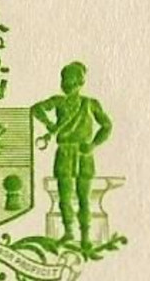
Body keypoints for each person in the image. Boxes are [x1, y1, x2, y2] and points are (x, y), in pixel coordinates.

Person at [30, 61, 114, 251]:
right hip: (64, 151)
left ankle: (84, 236)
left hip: (83, 154)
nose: (65, 82)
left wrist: (93, 144)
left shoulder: (90, 104)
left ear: (79, 81)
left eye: (69, 78)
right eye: (64, 78)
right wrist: (50, 126)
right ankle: (69, 232)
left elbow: (107, 126)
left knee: (84, 197)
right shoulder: (58, 101)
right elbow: (36, 109)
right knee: (64, 196)